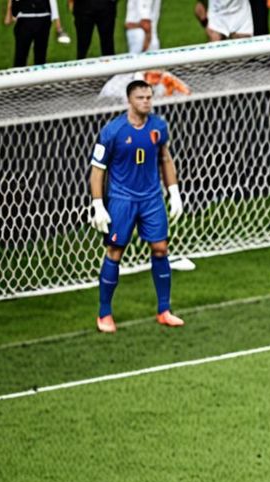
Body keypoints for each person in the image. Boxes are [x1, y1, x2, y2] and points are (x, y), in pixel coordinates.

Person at [88, 80, 185, 333]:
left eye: (149, 97)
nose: (146, 102)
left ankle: (164, 310)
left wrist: (174, 192)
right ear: (129, 100)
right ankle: (104, 314)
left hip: (151, 198)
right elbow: (97, 170)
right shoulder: (112, 131)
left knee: (161, 248)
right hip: (122, 199)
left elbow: (165, 158)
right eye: (141, 97)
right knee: (115, 251)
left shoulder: (158, 126)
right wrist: (98, 204)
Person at [6, 0, 52, 67]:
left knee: (40, 58)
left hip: (42, 16)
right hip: (24, 19)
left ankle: (40, 76)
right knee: (20, 57)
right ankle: (19, 76)